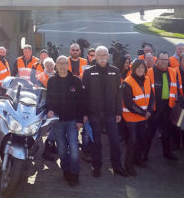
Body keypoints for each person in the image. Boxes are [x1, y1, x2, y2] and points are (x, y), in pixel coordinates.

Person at [82, 46, 129, 177]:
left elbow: (119, 94)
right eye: (99, 55)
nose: (102, 57)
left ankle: (117, 167)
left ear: (108, 56)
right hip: (94, 113)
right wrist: (84, 114)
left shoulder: (115, 71)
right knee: (95, 142)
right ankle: (96, 167)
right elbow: (84, 95)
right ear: (95, 57)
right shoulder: (89, 72)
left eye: (104, 55)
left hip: (110, 114)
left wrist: (119, 112)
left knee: (115, 141)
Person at [46, 56, 85, 186]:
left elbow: (81, 102)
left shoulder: (76, 81)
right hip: (58, 121)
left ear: (68, 65)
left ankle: (74, 173)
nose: (62, 66)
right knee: (61, 149)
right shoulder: (51, 81)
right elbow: (49, 99)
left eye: (64, 63)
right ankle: (66, 169)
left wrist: (80, 120)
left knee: (74, 147)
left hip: (73, 121)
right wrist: (50, 110)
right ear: (56, 65)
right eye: (59, 63)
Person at [122, 59, 154, 176]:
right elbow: (128, 103)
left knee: (141, 139)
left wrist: (149, 110)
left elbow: (151, 97)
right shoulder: (127, 82)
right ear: (134, 68)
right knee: (133, 141)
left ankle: (137, 159)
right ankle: (128, 165)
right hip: (131, 117)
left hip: (143, 116)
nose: (141, 70)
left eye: (143, 68)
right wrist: (143, 113)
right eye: (138, 67)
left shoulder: (147, 79)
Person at [146, 51, 179, 161]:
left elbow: (175, 88)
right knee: (150, 132)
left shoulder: (173, 72)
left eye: (166, 60)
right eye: (162, 59)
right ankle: (143, 155)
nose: (164, 62)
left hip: (167, 106)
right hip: (154, 106)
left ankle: (167, 152)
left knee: (167, 131)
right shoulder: (149, 72)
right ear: (157, 60)